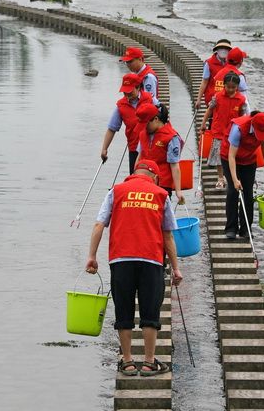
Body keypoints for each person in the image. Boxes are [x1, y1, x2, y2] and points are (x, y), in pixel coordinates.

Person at [85, 159, 183, 377]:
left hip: (120, 260)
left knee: (124, 309)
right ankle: (149, 363)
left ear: (133, 173)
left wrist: (92, 256)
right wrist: (176, 268)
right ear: (155, 177)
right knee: (150, 311)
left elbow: (99, 224)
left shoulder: (116, 191)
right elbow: (168, 235)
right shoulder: (161, 195)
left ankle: (128, 362)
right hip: (151, 260)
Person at [225, 112, 264, 240]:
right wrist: (235, 179)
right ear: (253, 125)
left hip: (249, 160)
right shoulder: (238, 129)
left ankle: (245, 229)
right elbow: (231, 156)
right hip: (230, 158)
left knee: (248, 194)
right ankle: (231, 228)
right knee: (233, 190)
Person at [100, 72, 161, 173]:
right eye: (125, 92)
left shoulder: (150, 99)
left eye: (130, 92)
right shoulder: (121, 105)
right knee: (135, 178)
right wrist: (104, 149)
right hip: (134, 148)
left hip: (153, 147)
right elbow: (112, 129)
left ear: (138, 87)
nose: (127, 95)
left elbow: (162, 119)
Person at [199, 71, 249, 189]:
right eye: (228, 87)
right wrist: (203, 123)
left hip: (234, 133)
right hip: (219, 131)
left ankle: (232, 178)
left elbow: (243, 116)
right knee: (218, 157)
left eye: (233, 87)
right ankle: (220, 178)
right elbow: (209, 110)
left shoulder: (241, 100)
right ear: (223, 85)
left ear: (237, 87)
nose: (230, 89)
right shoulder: (217, 97)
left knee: (232, 156)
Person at [135, 103, 185, 206]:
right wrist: (133, 177)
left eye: (146, 124)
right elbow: (140, 156)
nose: (144, 127)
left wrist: (178, 191)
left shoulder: (171, 137)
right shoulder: (143, 134)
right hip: (142, 182)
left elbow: (174, 165)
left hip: (162, 184)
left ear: (156, 119)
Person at [196, 42, 248, 108]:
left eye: (226, 49)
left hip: (229, 97)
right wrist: (199, 99)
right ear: (217, 50)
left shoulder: (231, 62)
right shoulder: (209, 63)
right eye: (221, 49)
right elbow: (204, 82)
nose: (223, 51)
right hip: (213, 97)